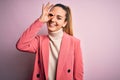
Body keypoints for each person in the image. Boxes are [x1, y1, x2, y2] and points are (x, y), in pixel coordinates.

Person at [16, 2, 84, 80]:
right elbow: (21, 45)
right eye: (51, 15)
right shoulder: (40, 41)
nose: (53, 19)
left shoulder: (74, 42)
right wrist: (40, 21)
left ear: (64, 23)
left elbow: (78, 74)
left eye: (59, 18)